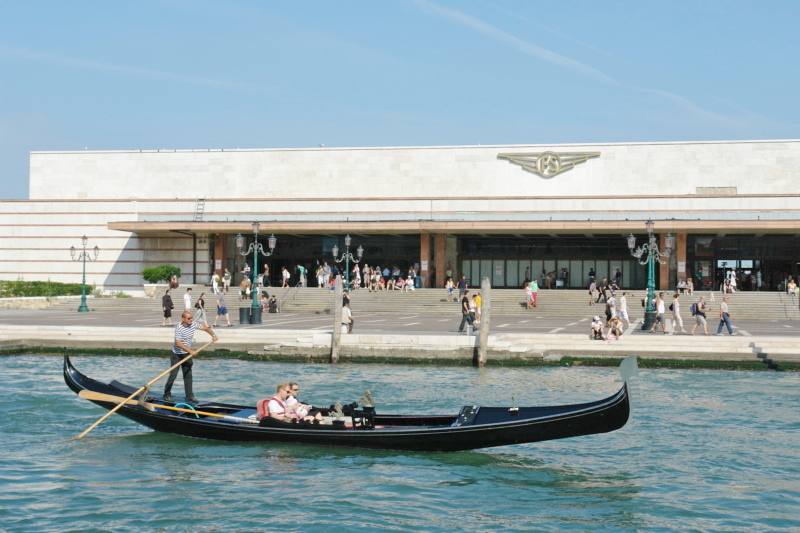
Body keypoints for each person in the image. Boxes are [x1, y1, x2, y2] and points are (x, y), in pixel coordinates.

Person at [163, 311, 217, 403]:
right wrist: (190, 351)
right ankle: (167, 394)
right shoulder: (179, 328)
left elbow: (206, 328)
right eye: (189, 318)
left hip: (187, 353)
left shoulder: (193, 324)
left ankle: (189, 396)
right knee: (173, 375)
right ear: (183, 319)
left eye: (191, 318)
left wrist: (213, 335)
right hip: (177, 354)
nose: (191, 320)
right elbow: (178, 343)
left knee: (188, 375)